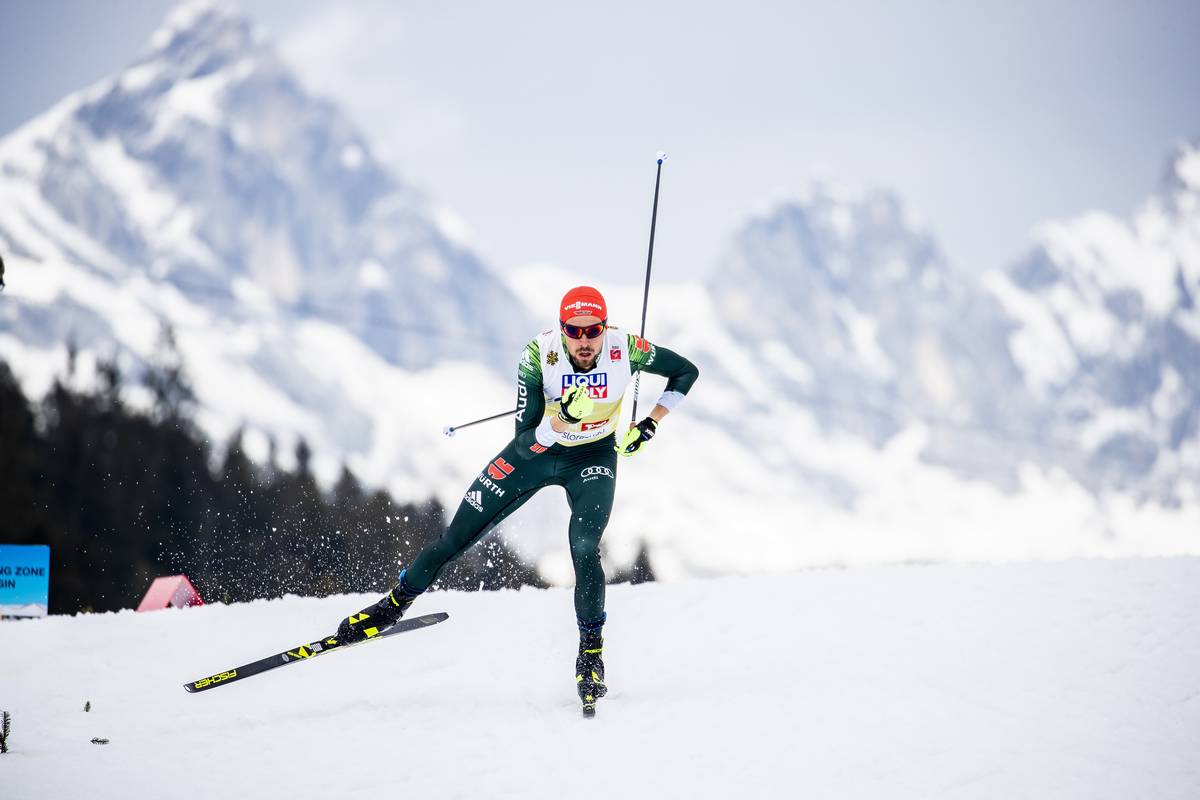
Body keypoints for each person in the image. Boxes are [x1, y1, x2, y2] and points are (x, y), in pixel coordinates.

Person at [336, 285, 699, 709]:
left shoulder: (627, 350)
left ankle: (591, 656)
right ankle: (391, 607)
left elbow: (686, 372)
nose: (584, 341)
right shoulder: (537, 356)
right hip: (538, 454)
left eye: (593, 330)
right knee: (453, 540)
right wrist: (561, 418)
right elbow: (526, 443)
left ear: (606, 328)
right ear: (561, 330)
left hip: (593, 458)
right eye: (574, 332)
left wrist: (651, 423)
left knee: (584, 548)